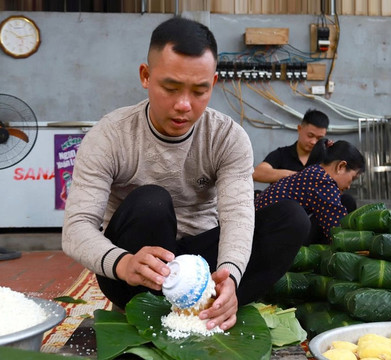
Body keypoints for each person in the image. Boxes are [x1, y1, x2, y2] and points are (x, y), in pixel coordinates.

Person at [62, 17, 309, 332]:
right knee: (151, 201)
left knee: (292, 218)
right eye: (171, 87)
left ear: (214, 83)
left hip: (201, 268)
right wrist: (123, 263)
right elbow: (76, 229)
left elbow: (237, 217)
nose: (184, 105)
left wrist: (230, 276)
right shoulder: (110, 135)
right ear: (145, 76)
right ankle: (147, 310)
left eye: (199, 91)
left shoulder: (228, 137)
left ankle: (215, 306)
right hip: (136, 272)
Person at [255, 138, 365, 245]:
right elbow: (338, 229)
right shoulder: (323, 182)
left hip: (264, 226)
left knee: (346, 201)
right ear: (341, 166)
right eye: (353, 178)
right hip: (263, 234)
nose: (349, 186)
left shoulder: (314, 172)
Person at [252, 108, 329, 184]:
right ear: (299, 129)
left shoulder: (325, 158)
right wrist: (295, 176)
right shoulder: (282, 154)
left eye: (319, 138)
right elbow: (257, 173)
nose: (313, 142)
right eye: (310, 135)